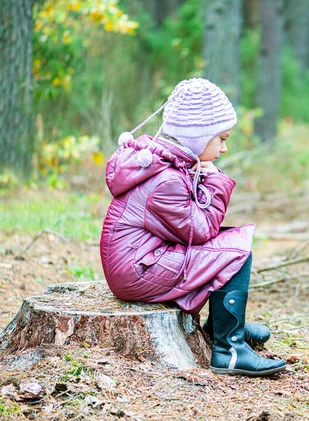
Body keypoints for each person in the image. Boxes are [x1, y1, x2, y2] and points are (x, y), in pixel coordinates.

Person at [99, 78, 286, 377]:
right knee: (236, 251)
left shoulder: (168, 164)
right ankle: (230, 350)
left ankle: (221, 325)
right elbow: (200, 230)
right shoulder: (167, 180)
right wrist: (217, 180)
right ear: (198, 138)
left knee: (231, 242)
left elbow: (194, 225)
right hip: (138, 268)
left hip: (144, 257)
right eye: (221, 138)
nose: (224, 148)